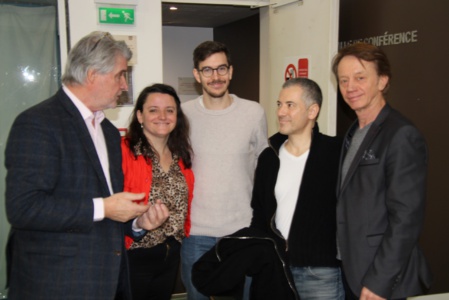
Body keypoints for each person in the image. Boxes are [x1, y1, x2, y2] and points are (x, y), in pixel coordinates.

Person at [4, 31, 168, 300]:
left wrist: (138, 222)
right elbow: (23, 208)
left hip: (108, 281)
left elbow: (109, 210)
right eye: (119, 75)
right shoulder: (38, 123)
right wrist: (105, 207)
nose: (124, 85)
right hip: (56, 284)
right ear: (92, 75)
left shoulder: (106, 130)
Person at [332, 42, 432, 300]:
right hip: (352, 270)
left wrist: (379, 282)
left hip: (380, 279)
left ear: (382, 81)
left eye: (360, 78)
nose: (350, 87)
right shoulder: (354, 132)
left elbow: (406, 219)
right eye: (343, 80)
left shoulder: (400, 134)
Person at [180, 40, 268, 300]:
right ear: (197, 75)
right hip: (196, 233)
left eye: (221, 69)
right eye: (207, 70)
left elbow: (263, 169)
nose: (215, 77)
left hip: (242, 230)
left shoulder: (254, 112)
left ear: (231, 71)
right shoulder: (182, 115)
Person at [250, 78, 344, 299]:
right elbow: (259, 213)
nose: (281, 112)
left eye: (290, 105)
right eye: (279, 104)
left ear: (312, 111)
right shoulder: (269, 155)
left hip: (321, 273)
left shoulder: (335, 153)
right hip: (275, 270)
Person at [121, 83, 194, 300]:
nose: (162, 116)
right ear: (140, 116)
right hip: (133, 256)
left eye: (169, 110)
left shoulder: (181, 155)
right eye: (153, 110)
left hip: (170, 254)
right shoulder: (123, 150)